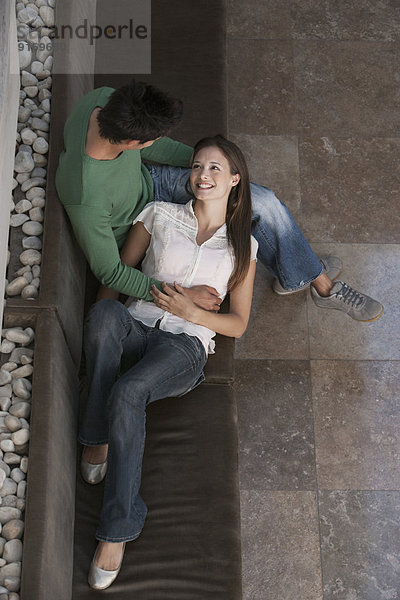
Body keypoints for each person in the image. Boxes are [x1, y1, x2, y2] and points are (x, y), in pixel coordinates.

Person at [79, 135, 258, 590]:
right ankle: (96, 433)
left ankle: (117, 530)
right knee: (102, 315)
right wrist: (102, 323)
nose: (203, 174)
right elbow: (118, 276)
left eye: (216, 168)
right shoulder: (158, 214)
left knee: (130, 391)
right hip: (137, 324)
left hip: (184, 347)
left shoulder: (243, 246)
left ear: (235, 180)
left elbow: (236, 322)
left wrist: (193, 312)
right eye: (198, 166)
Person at [56, 79, 384, 323]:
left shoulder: (103, 101)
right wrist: (179, 296)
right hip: (143, 223)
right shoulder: (87, 197)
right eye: (150, 138)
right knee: (249, 205)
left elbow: (155, 149)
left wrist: (212, 172)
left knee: (261, 202)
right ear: (131, 141)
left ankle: (314, 280)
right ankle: (318, 281)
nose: (156, 141)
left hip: (150, 182)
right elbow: (111, 273)